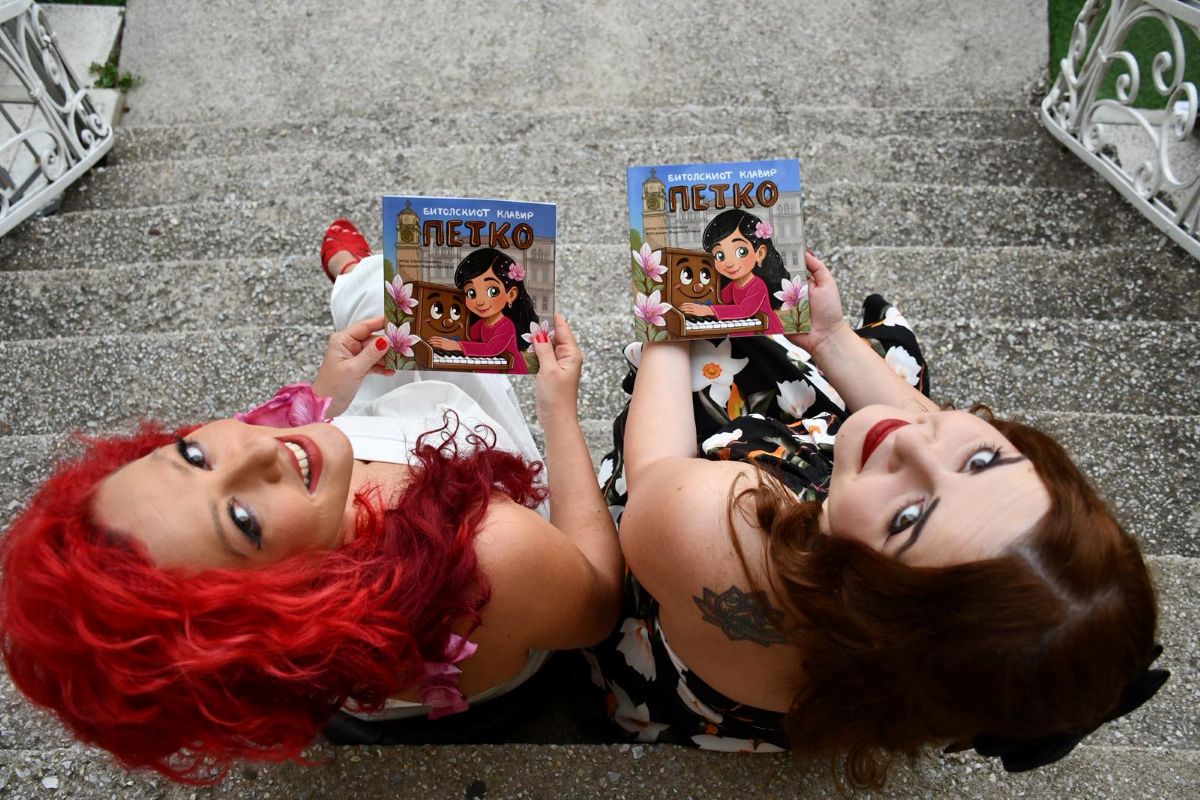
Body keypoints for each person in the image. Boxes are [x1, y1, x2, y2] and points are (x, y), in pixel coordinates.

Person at [0, 220, 624, 783]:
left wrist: (322, 397)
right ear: (279, 618)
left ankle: (354, 277)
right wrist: (559, 413)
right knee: (412, 311)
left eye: (190, 455)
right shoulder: (490, 556)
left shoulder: (274, 635)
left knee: (391, 314)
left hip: (361, 686)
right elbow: (597, 602)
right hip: (496, 589)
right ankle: (358, 276)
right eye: (241, 521)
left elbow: (267, 443)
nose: (258, 448)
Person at [586, 250, 1163, 787]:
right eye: (982, 462)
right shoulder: (942, 669)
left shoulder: (716, 526)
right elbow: (919, 428)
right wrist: (831, 338)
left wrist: (669, 327)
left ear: (865, 602)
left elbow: (654, 467)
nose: (912, 443)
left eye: (908, 518)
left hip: (673, 592)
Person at [678, 209, 790, 335]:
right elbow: (719, 299)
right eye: (720, 255)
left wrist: (708, 310)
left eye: (741, 252)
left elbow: (744, 310)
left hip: (768, 332)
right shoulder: (733, 285)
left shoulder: (758, 285)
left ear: (759, 253)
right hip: (747, 327)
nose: (729, 263)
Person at [428, 247, 539, 374]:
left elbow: (491, 349)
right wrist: (445, 339)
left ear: (511, 295)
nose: (480, 302)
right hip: (490, 369)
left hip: (510, 372)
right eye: (471, 293)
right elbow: (467, 336)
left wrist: (456, 346)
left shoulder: (507, 326)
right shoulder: (482, 323)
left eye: (492, 291)